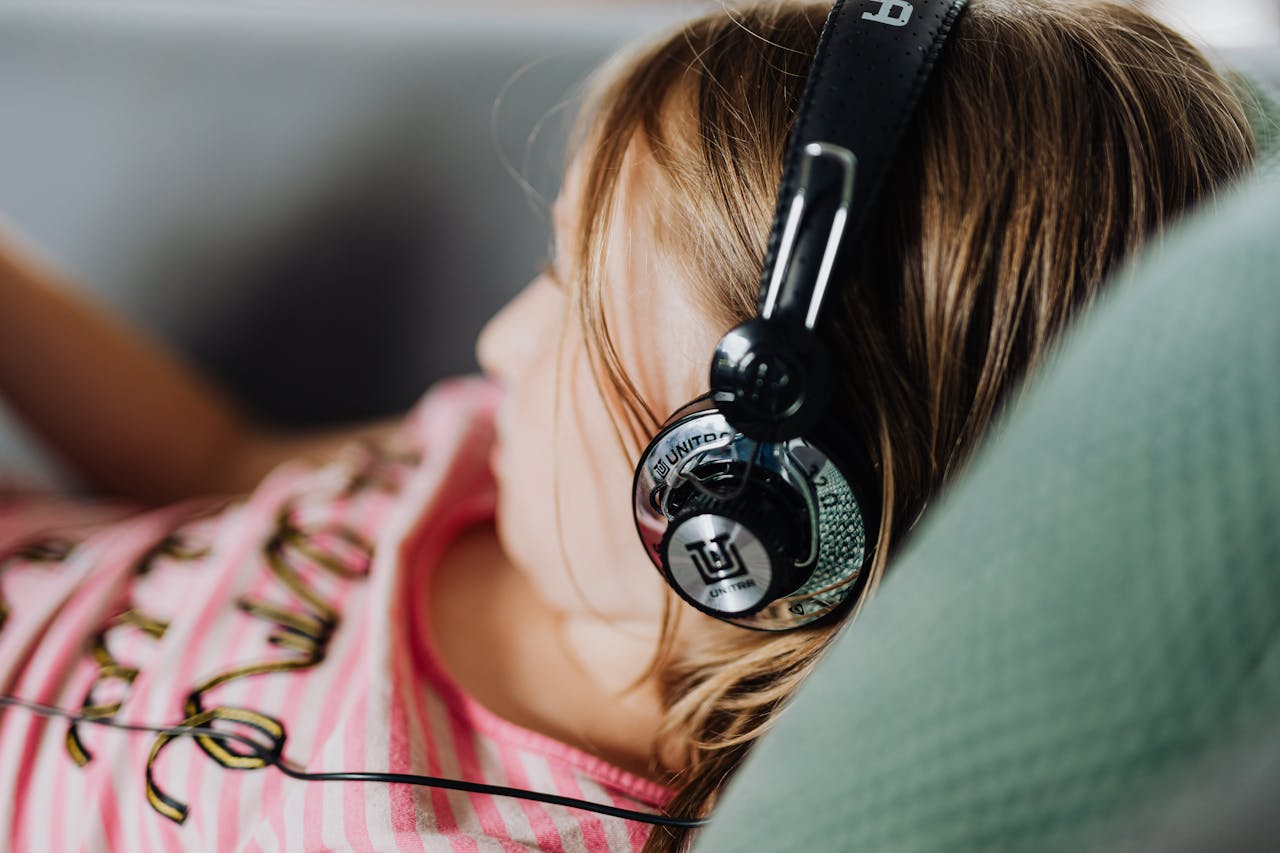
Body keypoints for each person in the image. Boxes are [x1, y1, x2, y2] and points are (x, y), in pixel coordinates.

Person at [0, 1, 1258, 850]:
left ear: (743, 484)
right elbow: (210, 464)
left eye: (564, 294)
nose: (496, 344)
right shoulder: (484, 474)